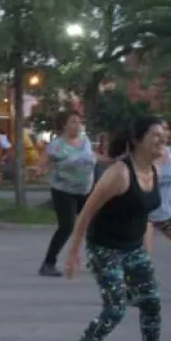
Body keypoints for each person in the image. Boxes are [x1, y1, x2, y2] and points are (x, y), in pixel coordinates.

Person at [58, 115, 171, 341]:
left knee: (151, 301)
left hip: (133, 247)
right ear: (137, 140)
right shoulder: (120, 173)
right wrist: (73, 252)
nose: (163, 140)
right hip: (106, 248)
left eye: (164, 134)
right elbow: (87, 212)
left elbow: (155, 213)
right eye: (156, 135)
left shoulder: (156, 169)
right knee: (115, 307)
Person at [39, 111, 96, 277]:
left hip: (85, 189)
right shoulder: (56, 145)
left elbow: (92, 158)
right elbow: (43, 163)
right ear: (64, 125)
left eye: (79, 122)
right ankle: (48, 263)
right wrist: (40, 169)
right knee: (67, 226)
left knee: (94, 224)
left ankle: (97, 260)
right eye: (73, 122)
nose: (77, 125)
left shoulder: (85, 141)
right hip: (63, 191)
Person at [145, 121, 171, 252]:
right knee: (144, 261)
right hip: (146, 217)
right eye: (158, 132)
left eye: (165, 130)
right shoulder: (142, 156)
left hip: (168, 215)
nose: (163, 134)